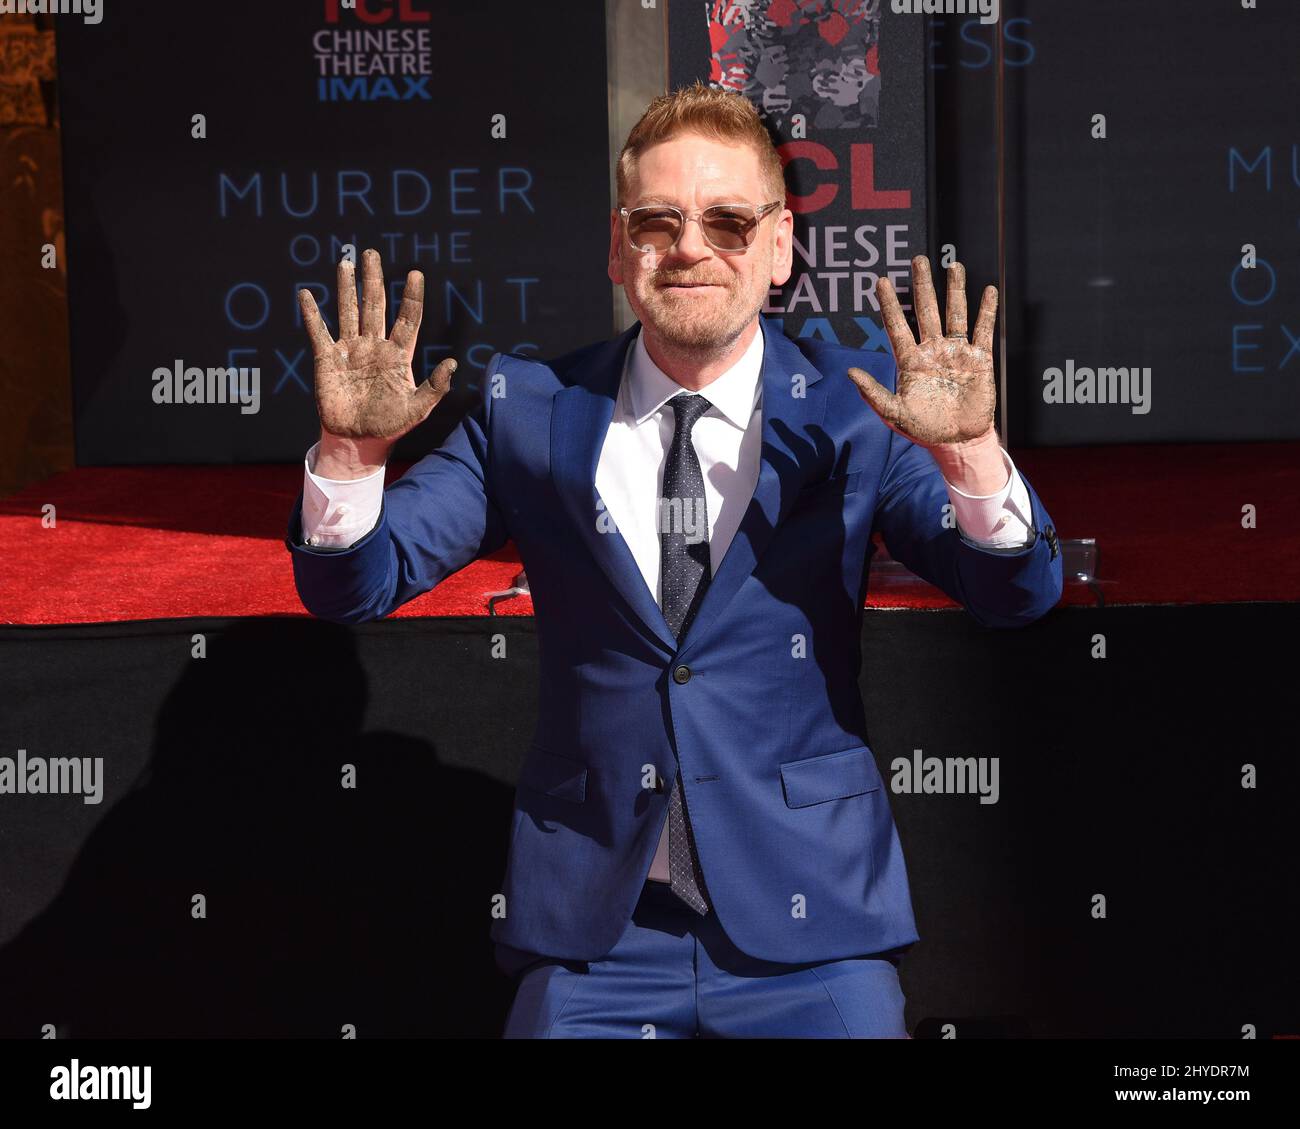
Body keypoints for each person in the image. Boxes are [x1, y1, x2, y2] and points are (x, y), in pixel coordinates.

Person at [286, 82, 1062, 1038]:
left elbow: (1013, 591)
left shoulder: (853, 412)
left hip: (811, 927)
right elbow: (356, 582)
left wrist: (973, 455)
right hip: (595, 942)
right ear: (620, 247)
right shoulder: (526, 407)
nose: (692, 246)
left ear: (780, 248)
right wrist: (352, 456)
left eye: (730, 221)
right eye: (659, 221)